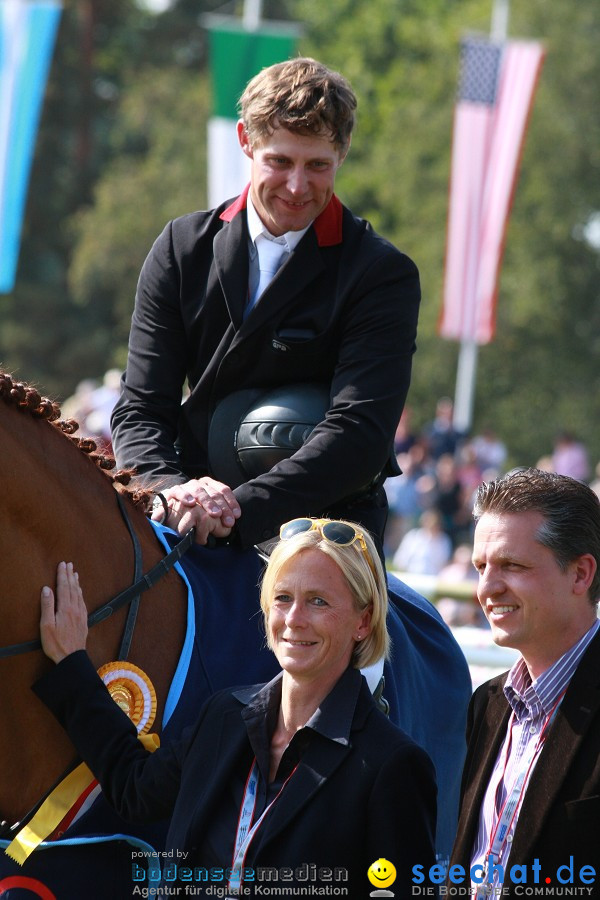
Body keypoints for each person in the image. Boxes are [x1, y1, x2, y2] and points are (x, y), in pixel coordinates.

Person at [109, 57, 421, 551]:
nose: (297, 187)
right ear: (245, 142)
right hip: (188, 510)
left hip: (325, 530)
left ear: (342, 154)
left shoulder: (381, 273)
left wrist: (238, 511)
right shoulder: (181, 247)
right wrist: (169, 491)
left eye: (317, 165)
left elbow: (359, 432)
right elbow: (142, 408)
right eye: (280, 161)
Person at [35, 518, 436, 896]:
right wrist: (73, 666)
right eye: (282, 598)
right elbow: (135, 789)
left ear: (363, 621)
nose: (294, 619)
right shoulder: (226, 714)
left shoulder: (393, 765)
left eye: (317, 601)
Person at [447, 469, 600, 897]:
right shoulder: (488, 702)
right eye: (481, 567)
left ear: (581, 574)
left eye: (512, 565)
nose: (487, 588)